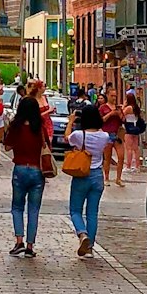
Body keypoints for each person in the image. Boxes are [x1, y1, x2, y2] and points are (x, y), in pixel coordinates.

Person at [65, 102, 111, 257]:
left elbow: (67, 138)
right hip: (97, 176)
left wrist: (71, 121)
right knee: (92, 212)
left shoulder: (79, 135)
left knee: (75, 210)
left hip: (82, 174)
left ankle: (82, 234)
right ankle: (90, 247)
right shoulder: (104, 136)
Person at [5, 95, 47, 257]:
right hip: (37, 171)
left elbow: (7, 147)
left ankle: (19, 241)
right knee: (34, 210)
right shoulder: (40, 128)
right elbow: (45, 146)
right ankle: (30, 246)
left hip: (20, 169)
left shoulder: (16, 127)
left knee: (17, 207)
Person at [100, 88, 125, 187]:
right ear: (107, 96)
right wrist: (111, 114)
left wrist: (119, 114)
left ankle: (118, 178)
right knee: (107, 157)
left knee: (121, 156)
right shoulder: (103, 108)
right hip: (107, 134)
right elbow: (101, 120)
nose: (114, 98)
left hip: (117, 134)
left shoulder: (118, 108)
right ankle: (106, 177)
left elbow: (123, 120)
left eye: (115, 96)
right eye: (112, 96)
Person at [122, 91, 144, 171]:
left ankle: (128, 165)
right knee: (136, 148)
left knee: (128, 148)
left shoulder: (128, 108)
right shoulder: (136, 107)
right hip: (136, 127)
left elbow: (121, 114)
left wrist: (124, 105)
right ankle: (137, 166)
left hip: (129, 127)